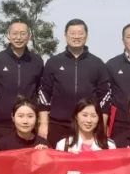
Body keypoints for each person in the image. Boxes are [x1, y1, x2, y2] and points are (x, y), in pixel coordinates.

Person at [38, 19, 111, 147]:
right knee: (57, 159)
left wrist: (103, 126)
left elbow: (105, 96)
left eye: (80, 33)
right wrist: (43, 124)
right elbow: (44, 93)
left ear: (86, 36)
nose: (76, 36)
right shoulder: (53, 62)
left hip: (88, 125)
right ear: (65, 35)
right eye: (72, 33)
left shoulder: (97, 63)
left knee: (87, 159)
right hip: (58, 124)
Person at [0, 19, 44, 141]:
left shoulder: (37, 61)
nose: (18, 37)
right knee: (3, 152)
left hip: (28, 121)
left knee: (28, 153)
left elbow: (40, 88)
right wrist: (1, 103)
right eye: (15, 33)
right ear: (8, 35)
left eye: (23, 33)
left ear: (29, 36)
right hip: (3, 121)